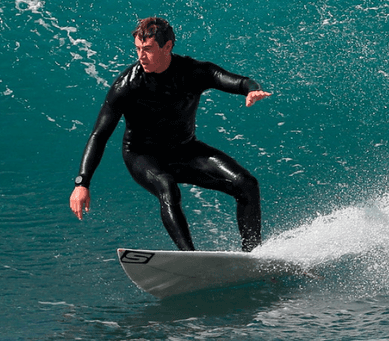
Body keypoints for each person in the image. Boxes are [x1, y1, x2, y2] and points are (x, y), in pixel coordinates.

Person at [70, 17, 272, 252]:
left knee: (246, 184)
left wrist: (252, 90)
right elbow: (99, 135)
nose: (140, 56)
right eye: (137, 49)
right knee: (166, 187)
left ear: (167, 47)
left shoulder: (192, 72)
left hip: (185, 150)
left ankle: (253, 254)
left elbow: (238, 82)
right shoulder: (126, 86)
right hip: (142, 156)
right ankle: (190, 258)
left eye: (147, 49)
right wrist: (82, 183)